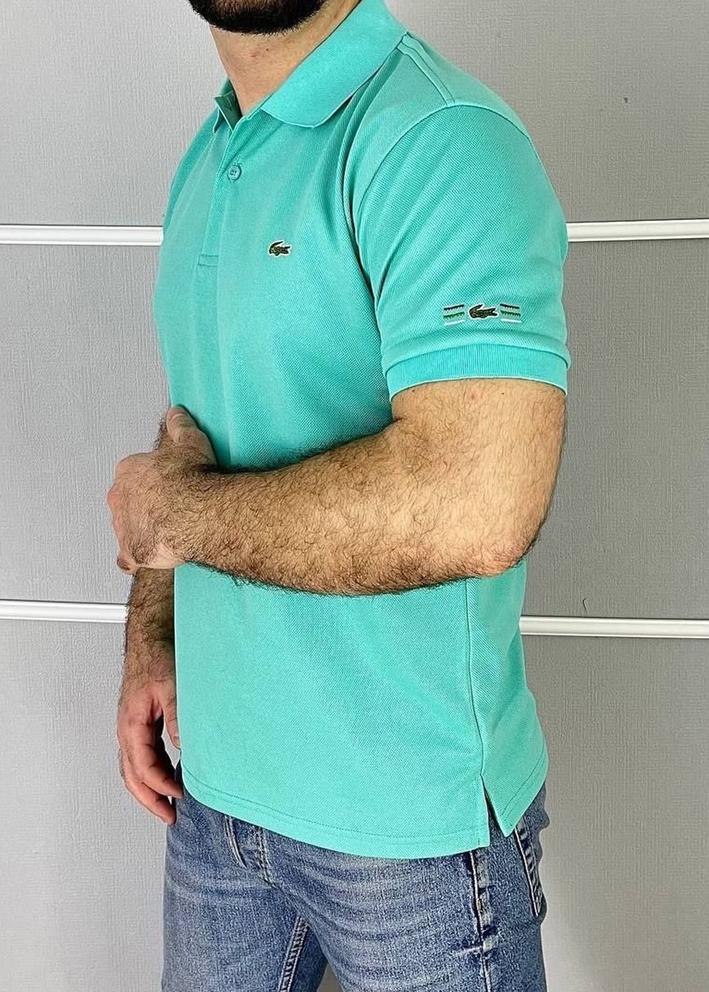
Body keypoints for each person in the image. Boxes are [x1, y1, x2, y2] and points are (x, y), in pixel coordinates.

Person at [106, 0, 570, 988]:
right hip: (217, 798)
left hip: (410, 836)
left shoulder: (439, 138)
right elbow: (201, 427)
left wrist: (171, 521)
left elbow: (478, 501)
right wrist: (154, 632)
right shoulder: (214, 151)